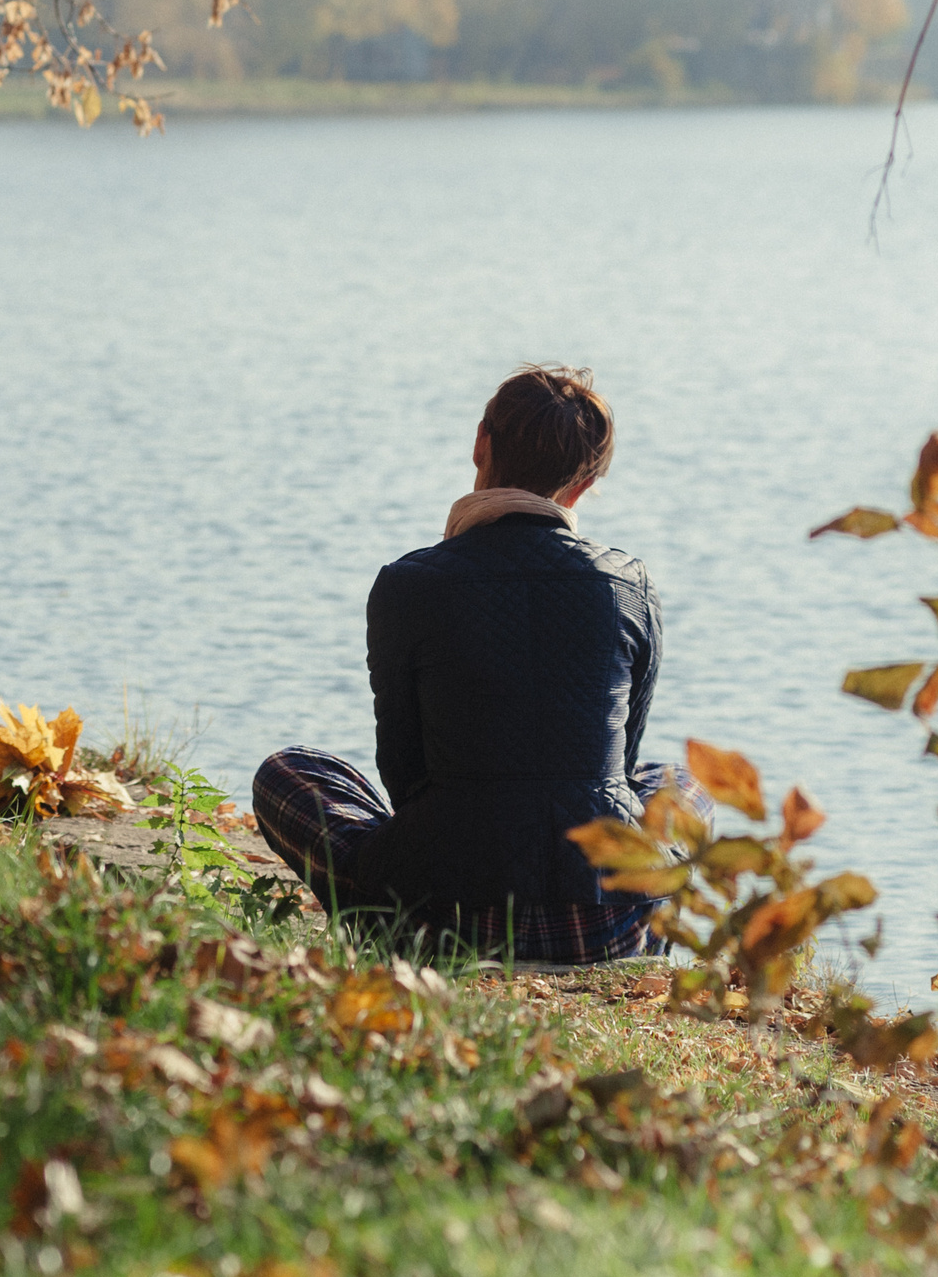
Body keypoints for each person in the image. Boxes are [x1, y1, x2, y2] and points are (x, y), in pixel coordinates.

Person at [252, 364, 706, 965]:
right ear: (588, 482)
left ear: (480, 443)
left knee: (286, 773)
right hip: (604, 922)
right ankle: (642, 940)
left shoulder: (408, 584)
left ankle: (387, 930)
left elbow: (405, 774)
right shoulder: (628, 584)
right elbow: (617, 766)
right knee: (684, 785)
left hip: (449, 918)